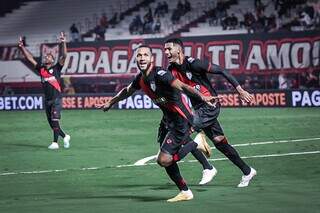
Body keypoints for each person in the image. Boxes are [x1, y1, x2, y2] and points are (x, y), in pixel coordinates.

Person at [96, 45, 217, 202]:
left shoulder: (160, 74)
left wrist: (202, 96)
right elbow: (127, 91)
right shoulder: (140, 79)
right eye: (139, 55)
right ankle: (185, 191)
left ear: (151, 58)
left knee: (163, 160)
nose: (142, 58)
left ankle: (195, 143)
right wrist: (111, 102)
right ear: (136, 59)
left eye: (145, 55)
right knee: (165, 157)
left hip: (181, 121)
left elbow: (182, 86)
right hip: (168, 121)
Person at [164, 38, 257, 188]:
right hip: (198, 109)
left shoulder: (194, 63)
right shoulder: (171, 70)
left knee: (182, 132)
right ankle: (247, 171)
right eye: (165, 50)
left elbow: (221, 70)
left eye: (169, 49)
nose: (166, 52)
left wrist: (239, 90)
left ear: (179, 50)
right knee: (220, 143)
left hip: (210, 106)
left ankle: (207, 167)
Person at [18, 32, 71, 150]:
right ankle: (65, 136)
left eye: (49, 56)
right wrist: (22, 47)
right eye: (46, 56)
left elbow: (64, 55)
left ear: (52, 60)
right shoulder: (41, 69)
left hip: (56, 99)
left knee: (55, 119)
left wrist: (63, 42)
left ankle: (55, 143)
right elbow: (29, 58)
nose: (47, 57)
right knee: (52, 124)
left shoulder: (57, 68)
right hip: (47, 100)